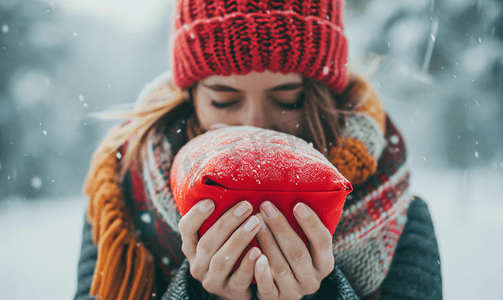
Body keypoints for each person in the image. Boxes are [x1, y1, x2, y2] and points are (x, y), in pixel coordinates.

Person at [74, 0, 442, 299]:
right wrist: (200, 294)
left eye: (288, 101)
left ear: (323, 98)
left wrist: (323, 294)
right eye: (223, 101)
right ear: (191, 97)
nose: (254, 124)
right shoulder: (123, 199)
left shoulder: (395, 213)